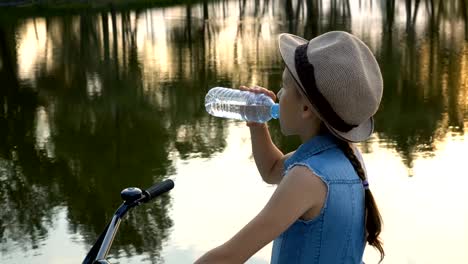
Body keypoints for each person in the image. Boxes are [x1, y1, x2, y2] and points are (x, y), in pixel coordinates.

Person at [194, 31, 385, 264]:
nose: (279, 94)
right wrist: (257, 126)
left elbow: (229, 256)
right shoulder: (345, 154)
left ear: (305, 109)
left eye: (284, 86)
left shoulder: (307, 179)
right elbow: (273, 169)